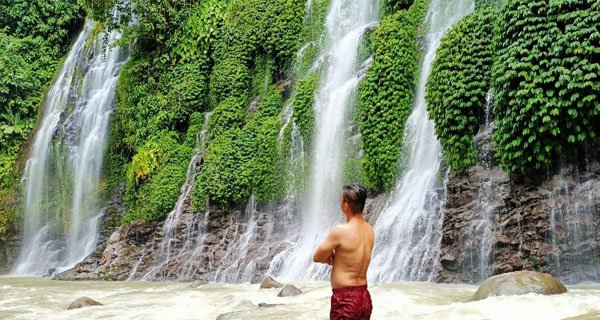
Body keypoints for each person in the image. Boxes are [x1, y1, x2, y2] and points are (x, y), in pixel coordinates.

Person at [313, 183, 374, 320]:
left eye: (341, 201)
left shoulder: (340, 231)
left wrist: (332, 255)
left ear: (345, 205)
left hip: (346, 299)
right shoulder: (369, 230)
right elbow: (352, 256)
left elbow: (317, 257)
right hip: (364, 297)